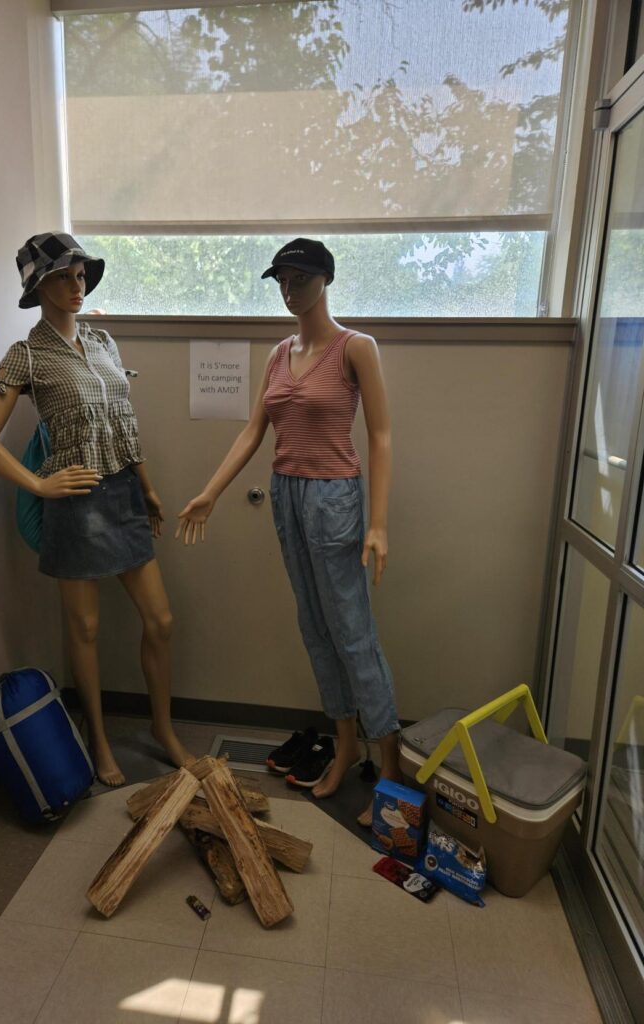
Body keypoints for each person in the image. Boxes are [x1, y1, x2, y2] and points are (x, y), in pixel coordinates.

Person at [176, 238, 400, 825]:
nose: (289, 288)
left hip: (334, 498)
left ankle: (391, 769)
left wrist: (377, 522)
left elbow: (380, 436)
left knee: (353, 631)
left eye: (300, 277)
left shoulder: (357, 348)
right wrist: (210, 491)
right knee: (315, 626)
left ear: (326, 279)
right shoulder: (279, 353)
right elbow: (255, 431)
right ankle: (345, 742)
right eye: (281, 278)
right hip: (287, 495)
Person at [0, 232, 192, 785]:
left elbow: (125, 418)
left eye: (81, 273)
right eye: (64, 275)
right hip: (75, 501)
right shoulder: (26, 354)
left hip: (123, 493)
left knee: (161, 620)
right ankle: (99, 740)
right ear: (38, 285)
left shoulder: (103, 343)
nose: (78, 284)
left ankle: (163, 728)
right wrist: (40, 486)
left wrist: (148, 484)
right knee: (85, 629)